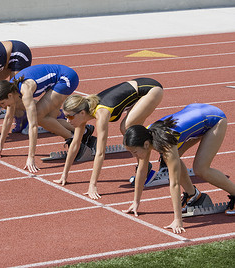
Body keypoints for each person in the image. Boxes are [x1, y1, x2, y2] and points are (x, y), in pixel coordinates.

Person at [122, 103, 235, 234]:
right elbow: (142, 171)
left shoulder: (165, 145)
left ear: (146, 144)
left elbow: (174, 183)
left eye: (134, 152)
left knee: (200, 169)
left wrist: (178, 219)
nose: (133, 155)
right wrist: (136, 202)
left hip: (214, 119)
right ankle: (193, 196)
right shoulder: (145, 135)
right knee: (172, 160)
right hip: (196, 112)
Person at [54, 78, 163, 199]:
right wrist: (64, 175)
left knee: (127, 128)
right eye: (66, 117)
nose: (68, 121)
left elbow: (100, 152)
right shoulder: (81, 115)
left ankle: (155, 160)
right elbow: (75, 144)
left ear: (82, 113)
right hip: (138, 93)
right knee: (130, 130)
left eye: (70, 116)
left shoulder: (102, 114)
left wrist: (92, 185)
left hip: (151, 90)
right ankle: (146, 167)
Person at [0, 64, 93, 173]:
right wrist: (0, 145)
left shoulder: (25, 91)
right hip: (56, 80)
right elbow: (8, 119)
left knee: (39, 117)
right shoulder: (10, 88)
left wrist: (31, 157)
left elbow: (33, 125)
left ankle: (74, 142)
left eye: (2, 103)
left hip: (66, 78)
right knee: (50, 119)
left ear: (10, 95)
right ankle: (85, 131)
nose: (3, 107)